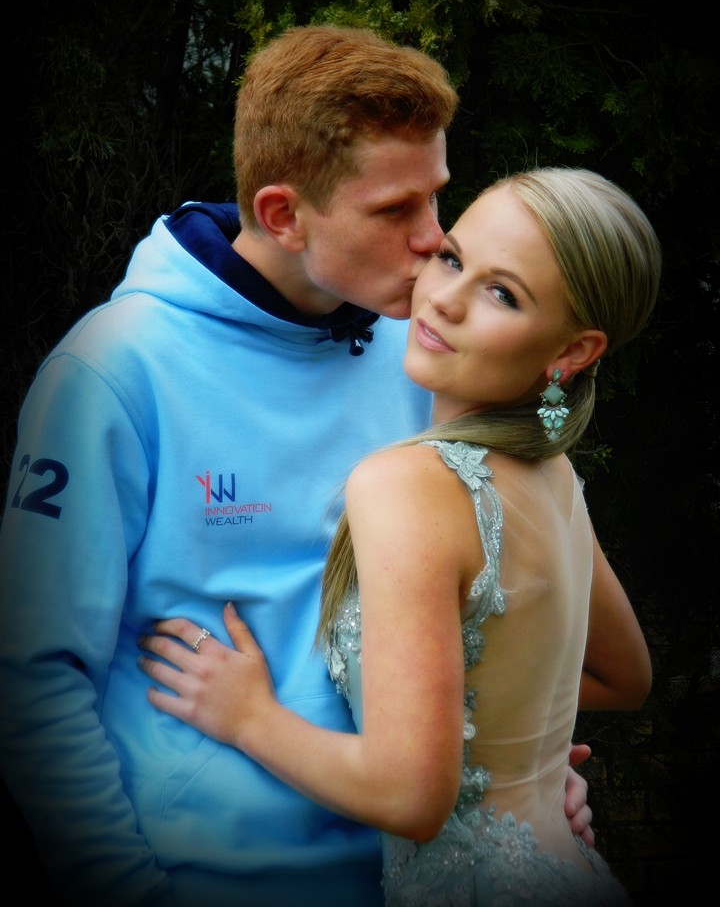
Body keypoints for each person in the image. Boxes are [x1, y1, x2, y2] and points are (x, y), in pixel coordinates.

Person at [0, 22, 614, 907]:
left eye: (436, 199)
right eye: (396, 211)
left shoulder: (427, 353)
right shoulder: (109, 371)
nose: (433, 240)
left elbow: (511, 606)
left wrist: (519, 774)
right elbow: (35, 683)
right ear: (285, 215)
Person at [137, 166, 659, 906]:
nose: (444, 298)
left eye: (503, 294)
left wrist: (250, 718)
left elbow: (413, 799)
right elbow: (626, 677)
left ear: (572, 353)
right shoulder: (556, 476)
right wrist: (513, 742)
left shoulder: (404, 485)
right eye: (452, 257)